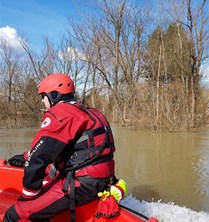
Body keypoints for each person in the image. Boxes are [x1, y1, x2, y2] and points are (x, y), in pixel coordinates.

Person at [4, 73, 126, 221]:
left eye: (43, 96)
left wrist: (28, 196)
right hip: (102, 179)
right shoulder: (91, 112)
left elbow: (38, 159)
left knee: (15, 214)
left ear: (54, 95)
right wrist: (25, 157)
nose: (43, 101)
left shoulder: (61, 113)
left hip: (83, 182)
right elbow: (71, 147)